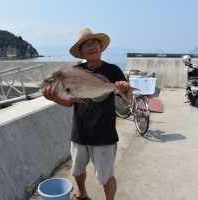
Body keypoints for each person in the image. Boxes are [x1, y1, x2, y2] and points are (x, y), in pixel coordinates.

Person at [41, 28, 132, 200]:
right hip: (80, 131)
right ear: (81, 51)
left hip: (104, 133)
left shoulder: (113, 71)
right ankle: (82, 192)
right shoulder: (74, 71)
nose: (91, 46)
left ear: (101, 47)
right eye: (86, 44)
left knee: (107, 175)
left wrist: (125, 89)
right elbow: (69, 102)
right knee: (78, 169)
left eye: (94, 42)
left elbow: (129, 101)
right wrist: (55, 98)